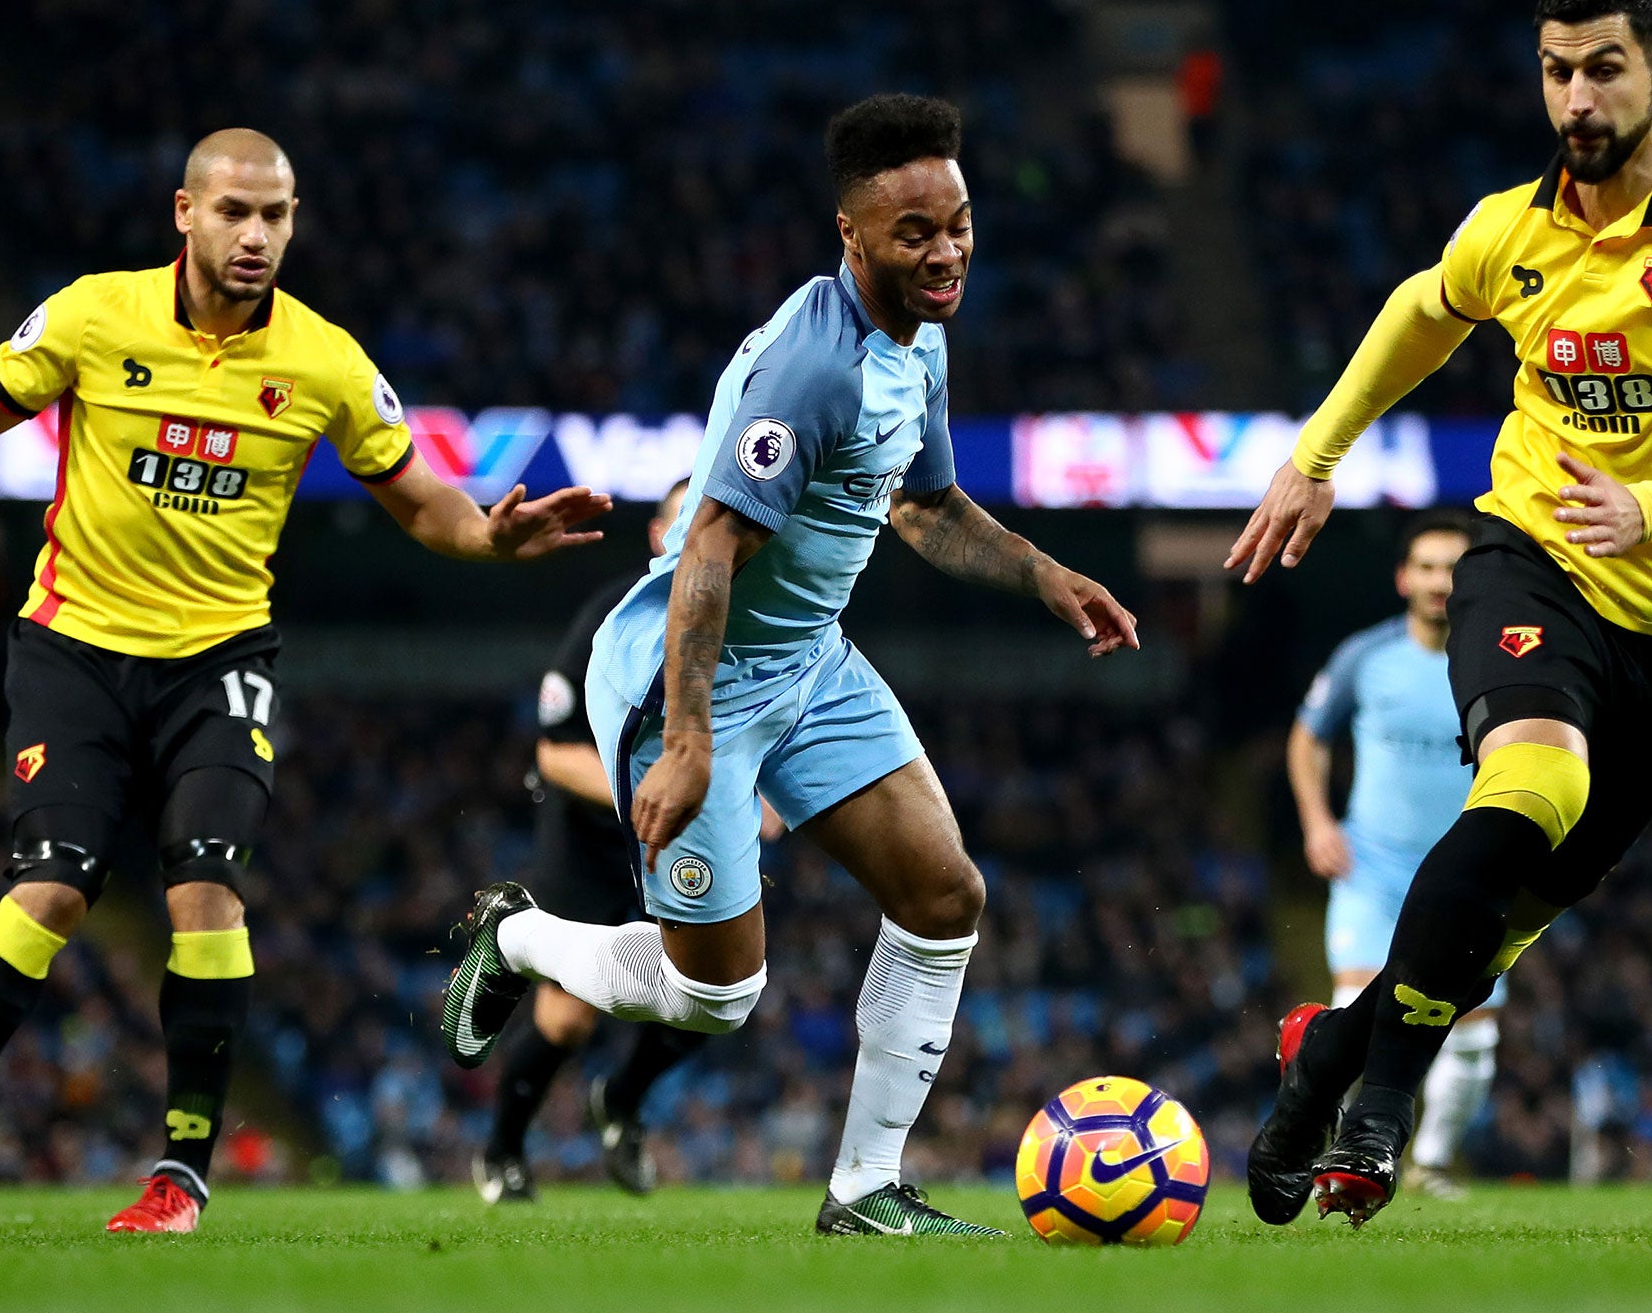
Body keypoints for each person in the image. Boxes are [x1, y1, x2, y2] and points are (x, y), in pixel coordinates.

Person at [0, 128, 609, 1234]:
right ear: (181, 213)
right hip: (74, 653)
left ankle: (180, 1176)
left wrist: (490, 539)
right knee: (50, 891)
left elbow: (424, 503)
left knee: (204, 892)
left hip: (219, 664)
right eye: (234, 212)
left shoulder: (324, 359)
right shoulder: (94, 315)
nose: (256, 235)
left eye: (276, 216)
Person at [440, 93, 1139, 1237]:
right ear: (850, 234)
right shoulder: (811, 367)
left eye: (956, 220)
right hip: (690, 676)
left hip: (808, 661)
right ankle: (516, 935)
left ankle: (864, 1189)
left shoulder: (919, 343)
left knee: (944, 895)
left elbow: (922, 506)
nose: (946, 248)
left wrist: (1042, 574)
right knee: (714, 998)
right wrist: (687, 740)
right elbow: (710, 546)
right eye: (913, 232)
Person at [1228, 0, 1652, 1226]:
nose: (1575, 98)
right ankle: (1378, 1110)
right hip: (1536, 552)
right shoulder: (1512, 226)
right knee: (1534, 783)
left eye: (1602, 66)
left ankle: (1327, 1052)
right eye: (1555, 71)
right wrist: (1310, 457)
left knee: (1500, 924)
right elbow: (1421, 308)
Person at [476, 477, 709, 1203]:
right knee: (569, 1016)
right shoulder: (613, 617)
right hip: (592, 842)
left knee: (715, 986)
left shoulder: (750, 616)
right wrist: (642, 790)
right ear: (656, 536)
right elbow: (554, 752)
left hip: (684, 836)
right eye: (685, 521)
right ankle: (503, 1151)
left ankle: (625, 1097)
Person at [1288, 513, 1498, 1199]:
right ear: (1405, 577)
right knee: (1354, 1012)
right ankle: (1345, 1153)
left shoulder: (1501, 656)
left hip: (1466, 873)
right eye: (1429, 567)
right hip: (1371, 870)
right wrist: (1318, 821)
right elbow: (1307, 737)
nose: (1441, 582)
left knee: (1473, 1038)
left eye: (1455, 569)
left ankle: (1430, 1165)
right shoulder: (1366, 656)